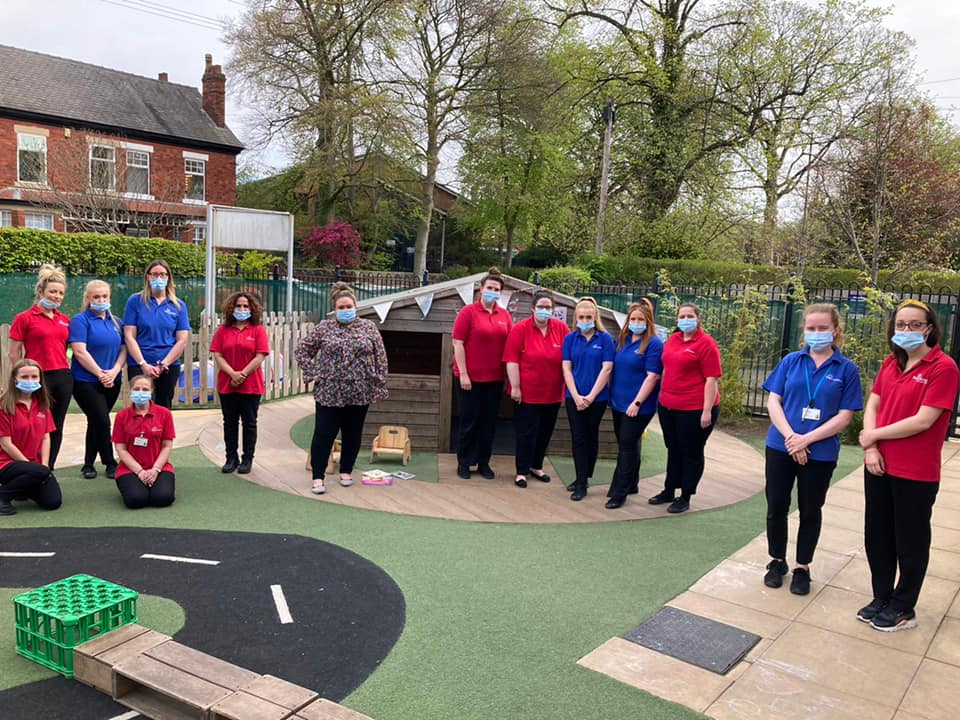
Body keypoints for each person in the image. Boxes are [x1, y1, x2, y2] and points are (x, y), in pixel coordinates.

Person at [857, 299, 959, 632]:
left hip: (914, 472)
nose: (907, 331)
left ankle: (903, 606)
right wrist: (871, 446)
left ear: (930, 329)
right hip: (878, 465)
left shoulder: (943, 368)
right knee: (878, 535)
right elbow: (874, 403)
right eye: (901, 325)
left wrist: (871, 435)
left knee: (910, 541)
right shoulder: (891, 363)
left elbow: (923, 421)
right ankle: (882, 596)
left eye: (915, 325)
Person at [762, 304, 862, 595]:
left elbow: (845, 416)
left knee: (810, 510)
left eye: (822, 328)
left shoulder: (846, 370)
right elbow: (773, 401)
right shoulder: (792, 361)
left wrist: (806, 441)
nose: (816, 334)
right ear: (803, 331)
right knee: (776, 506)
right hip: (780, 446)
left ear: (835, 331)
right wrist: (792, 437)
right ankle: (776, 560)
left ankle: (802, 567)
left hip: (820, 453)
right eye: (811, 328)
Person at [295, 282, 388, 495]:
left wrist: (379, 384)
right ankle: (318, 476)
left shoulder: (368, 328)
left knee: (353, 433)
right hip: (329, 391)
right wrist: (312, 374)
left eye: (349, 307)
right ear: (334, 309)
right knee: (324, 433)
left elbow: (380, 358)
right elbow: (302, 351)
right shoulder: (324, 328)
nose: (346, 311)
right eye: (341, 308)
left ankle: (346, 470)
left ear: (356, 307)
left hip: (360, 391)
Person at [652, 302, 722, 514]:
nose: (685, 320)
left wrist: (707, 410)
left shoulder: (706, 344)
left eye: (689, 316)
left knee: (691, 452)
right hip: (668, 406)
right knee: (673, 449)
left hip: (695, 409)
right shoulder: (672, 339)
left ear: (698, 319)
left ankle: (685, 496)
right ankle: (668, 490)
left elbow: (712, 380)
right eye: (681, 316)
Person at [452, 267, 513, 480]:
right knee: (469, 422)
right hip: (470, 379)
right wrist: (464, 374)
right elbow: (458, 343)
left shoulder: (504, 315)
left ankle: (483, 463)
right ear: (481, 288)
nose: (493, 291)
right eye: (489, 287)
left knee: (489, 424)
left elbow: (510, 346)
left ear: (500, 292)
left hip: (494, 379)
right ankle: (464, 462)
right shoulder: (468, 312)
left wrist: (510, 377)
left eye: (496, 289)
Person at [9, 264, 72, 470]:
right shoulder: (24, 318)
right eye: (52, 291)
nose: (56, 296)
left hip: (62, 377)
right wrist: (19, 379)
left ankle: (47, 470)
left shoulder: (65, 320)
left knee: (55, 427)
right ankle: (26, 468)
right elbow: (14, 353)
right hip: (36, 380)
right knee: (31, 426)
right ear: (40, 292)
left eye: (61, 293)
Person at [503, 290, 566, 488]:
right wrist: (515, 387)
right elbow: (511, 360)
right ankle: (521, 471)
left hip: (553, 394)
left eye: (548, 308)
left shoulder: (561, 328)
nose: (545, 311)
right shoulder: (520, 328)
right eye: (541, 307)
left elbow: (569, 357)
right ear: (533, 308)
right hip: (527, 394)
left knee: (544, 432)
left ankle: (536, 466)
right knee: (526, 433)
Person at [605, 299, 663, 509]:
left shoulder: (654, 344)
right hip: (618, 402)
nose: (636, 322)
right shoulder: (623, 340)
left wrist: (637, 402)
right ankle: (632, 483)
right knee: (627, 443)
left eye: (640, 319)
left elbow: (653, 376)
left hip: (638, 406)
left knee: (627, 447)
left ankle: (618, 492)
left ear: (648, 322)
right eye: (633, 319)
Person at [70, 280, 127, 480]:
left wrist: (114, 370)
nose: (101, 300)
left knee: (96, 421)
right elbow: (79, 351)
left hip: (113, 380)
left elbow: (123, 349)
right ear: (88, 299)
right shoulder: (80, 320)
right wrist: (100, 374)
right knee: (102, 420)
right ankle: (110, 462)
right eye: (96, 297)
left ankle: (87, 464)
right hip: (85, 380)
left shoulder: (117, 322)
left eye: (104, 296)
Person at [562, 297, 615, 501]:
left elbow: (607, 368)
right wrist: (576, 396)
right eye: (581, 317)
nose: (585, 320)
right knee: (578, 438)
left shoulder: (605, 339)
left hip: (597, 398)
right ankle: (580, 481)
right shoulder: (570, 339)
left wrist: (591, 397)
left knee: (591, 436)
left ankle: (586, 476)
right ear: (576, 318)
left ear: (595, 317)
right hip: (573, 397)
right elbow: (566, 367)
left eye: (589, 317)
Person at [210, 292, 270, 474]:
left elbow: (260, 355)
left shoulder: (257, 330)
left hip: (251, 385)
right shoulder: (223, 330)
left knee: (250, 423)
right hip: (227, 384)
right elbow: (217, 354)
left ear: (252, 309)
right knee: (229, 422)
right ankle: (231, 458)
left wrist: (242, 374)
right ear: (231, 308)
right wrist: (232, 374)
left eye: (245, 306)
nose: (242, 309)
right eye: (238, 306)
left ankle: (247, 459)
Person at [123, 259, 191, 409]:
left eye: (162, 274)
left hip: (167, 367)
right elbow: (129, 336)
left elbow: (182, 340)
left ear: (168, 277)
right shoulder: (135, 301)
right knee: (140, 407)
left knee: (163, 409)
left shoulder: (178, 306)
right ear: (148, 277)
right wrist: (143, 364)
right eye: (154, 274)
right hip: (139, 365)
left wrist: (163, 364)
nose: (158, 278)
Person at [0, 360, 63, 516]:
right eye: (25, 377)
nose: (30, 381)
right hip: (6, 463)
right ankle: (3, 496)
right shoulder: (4, 406)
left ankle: (23, 488)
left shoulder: (42, 404)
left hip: (35, 466)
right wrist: (33, 468)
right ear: (15, 378)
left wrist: (44, 466)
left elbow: (46, 437)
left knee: (52, 502)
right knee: (38, 473)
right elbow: (6, 444)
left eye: (34, 377)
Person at [111, 374, 176, 509]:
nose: (141, 392)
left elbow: (167, 445)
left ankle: (153, 485)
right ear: (130, 391)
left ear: (152, 391)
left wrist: (156, 469)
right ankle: (137, 486)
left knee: (162, 498)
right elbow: (120, 448)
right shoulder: (122, 416)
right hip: (129, 468)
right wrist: (140, 471)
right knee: (136, 500)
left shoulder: (164, 414)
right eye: (137, 389)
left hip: (159, 467)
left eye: (145, 389)